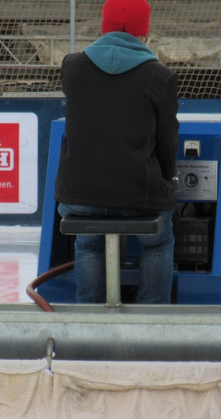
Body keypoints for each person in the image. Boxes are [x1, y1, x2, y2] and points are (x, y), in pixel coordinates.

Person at [54, 0, 179, 304]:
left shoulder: (72, 68)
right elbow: (166, 142)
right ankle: (151, 317)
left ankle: (90, 315)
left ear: (103, 29)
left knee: (90, 243)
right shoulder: (160, 77)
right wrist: (168, 181)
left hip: (79, 195)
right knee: (158, 241)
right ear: (145, 35)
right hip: (139, 196)